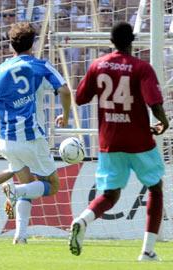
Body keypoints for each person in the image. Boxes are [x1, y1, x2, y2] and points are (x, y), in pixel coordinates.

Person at [69, 22, 169, 261]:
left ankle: (83, 219)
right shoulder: (141, 68)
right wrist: (164, 122)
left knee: (110, 194)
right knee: (155, 188)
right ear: (131, 41)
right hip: (139, 141)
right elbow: (153, 102)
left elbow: (81, 98)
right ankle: (147, 250)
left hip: (109, 143)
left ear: (111, 41)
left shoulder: (97, 65)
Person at [0, 22, 72, 244]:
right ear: (34, 43)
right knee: (52, 186)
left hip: (7, 140)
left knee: (27, 185)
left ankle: (20, 236)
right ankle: (14, 191)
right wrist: (66, 116)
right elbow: (65, 90)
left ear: (11, 45)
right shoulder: (39, 66)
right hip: (32, 138)